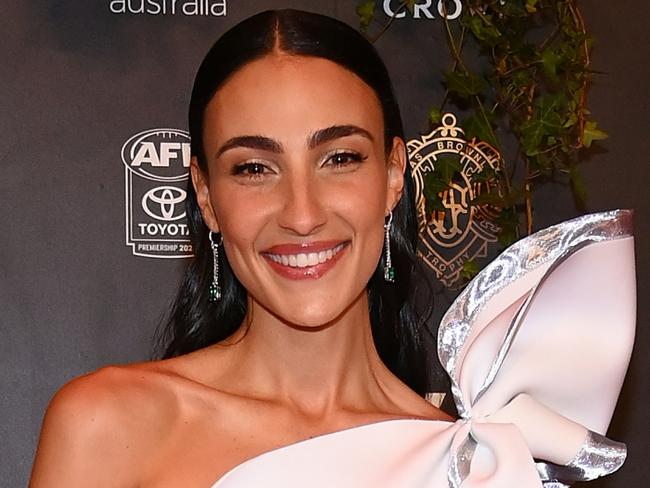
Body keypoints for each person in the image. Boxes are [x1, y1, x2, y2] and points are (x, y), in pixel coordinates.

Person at [30, 9, 635, 487]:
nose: (302, 213)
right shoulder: (107, 424)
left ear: (394, 174)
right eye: (253, 169)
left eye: (339, 158)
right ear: (206, 197)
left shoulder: (473, 463)